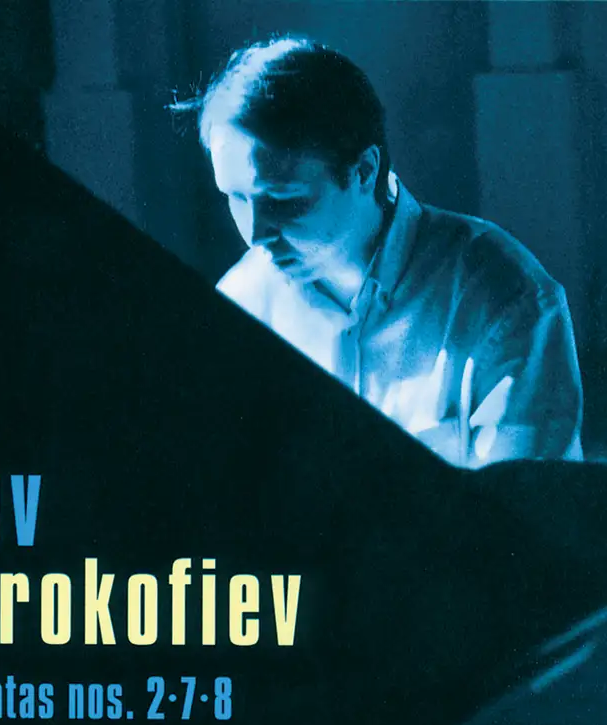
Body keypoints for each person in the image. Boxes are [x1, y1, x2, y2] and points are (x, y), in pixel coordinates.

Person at [171, 37, 584, 468]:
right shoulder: (241, 304)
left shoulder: (504, 301)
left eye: (283, 201)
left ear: (365, 170)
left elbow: (518, 505)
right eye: (235, 197)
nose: (255, 234)